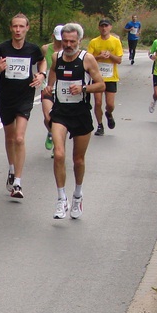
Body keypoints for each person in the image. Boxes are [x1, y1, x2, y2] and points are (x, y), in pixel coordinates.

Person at [43, 23, 104, 220]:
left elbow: (101, 84)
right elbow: (53, 72)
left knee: (78, 159)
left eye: (72, 41)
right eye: (65, 41)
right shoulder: (56, 57)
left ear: (79, 41)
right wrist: (49, 86)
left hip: (81, 114)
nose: (68, 45)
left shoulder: (87, 59)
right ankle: (61, 199)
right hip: (61, 113)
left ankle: (77, 195)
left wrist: (84, 89)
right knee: (59, 154)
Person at [0, 13, 47, 199]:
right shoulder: (1, 48)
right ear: (11, 28)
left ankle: (18, 183)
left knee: (19, 138)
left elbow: (42, 60)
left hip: (25, 97)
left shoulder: (32, 49)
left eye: (21, 27)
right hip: (6, 97)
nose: (18, 30)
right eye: (15, 27)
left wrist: (41, 74)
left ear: (27, 28)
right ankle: (11, 169)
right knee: (10, 137)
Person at [86, 20, 123, 136]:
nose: (104, 28)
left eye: (106, 26)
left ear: (110, 27)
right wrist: (99, 57)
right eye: (102, 26)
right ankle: (100, 125)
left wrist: (110, 55)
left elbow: (119, 60)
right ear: (99, 28)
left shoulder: (115, 42)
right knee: (97, 102)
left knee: (110, 104)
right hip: (97, 77)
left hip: (111, 77)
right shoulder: (94, 42)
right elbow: (88, 59)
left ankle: (109, 113)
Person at [40, 24, 64, 155]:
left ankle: (57, 145)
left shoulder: (68, 49)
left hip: (62, 87)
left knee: (59, 118)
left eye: (62, 39)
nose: (60, 42)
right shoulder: (45, 48)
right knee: (48, 117)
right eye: (58, 39)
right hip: (47, 86)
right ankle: (50, 132)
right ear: (53, 36)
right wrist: (41, 73)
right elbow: (40, 62)